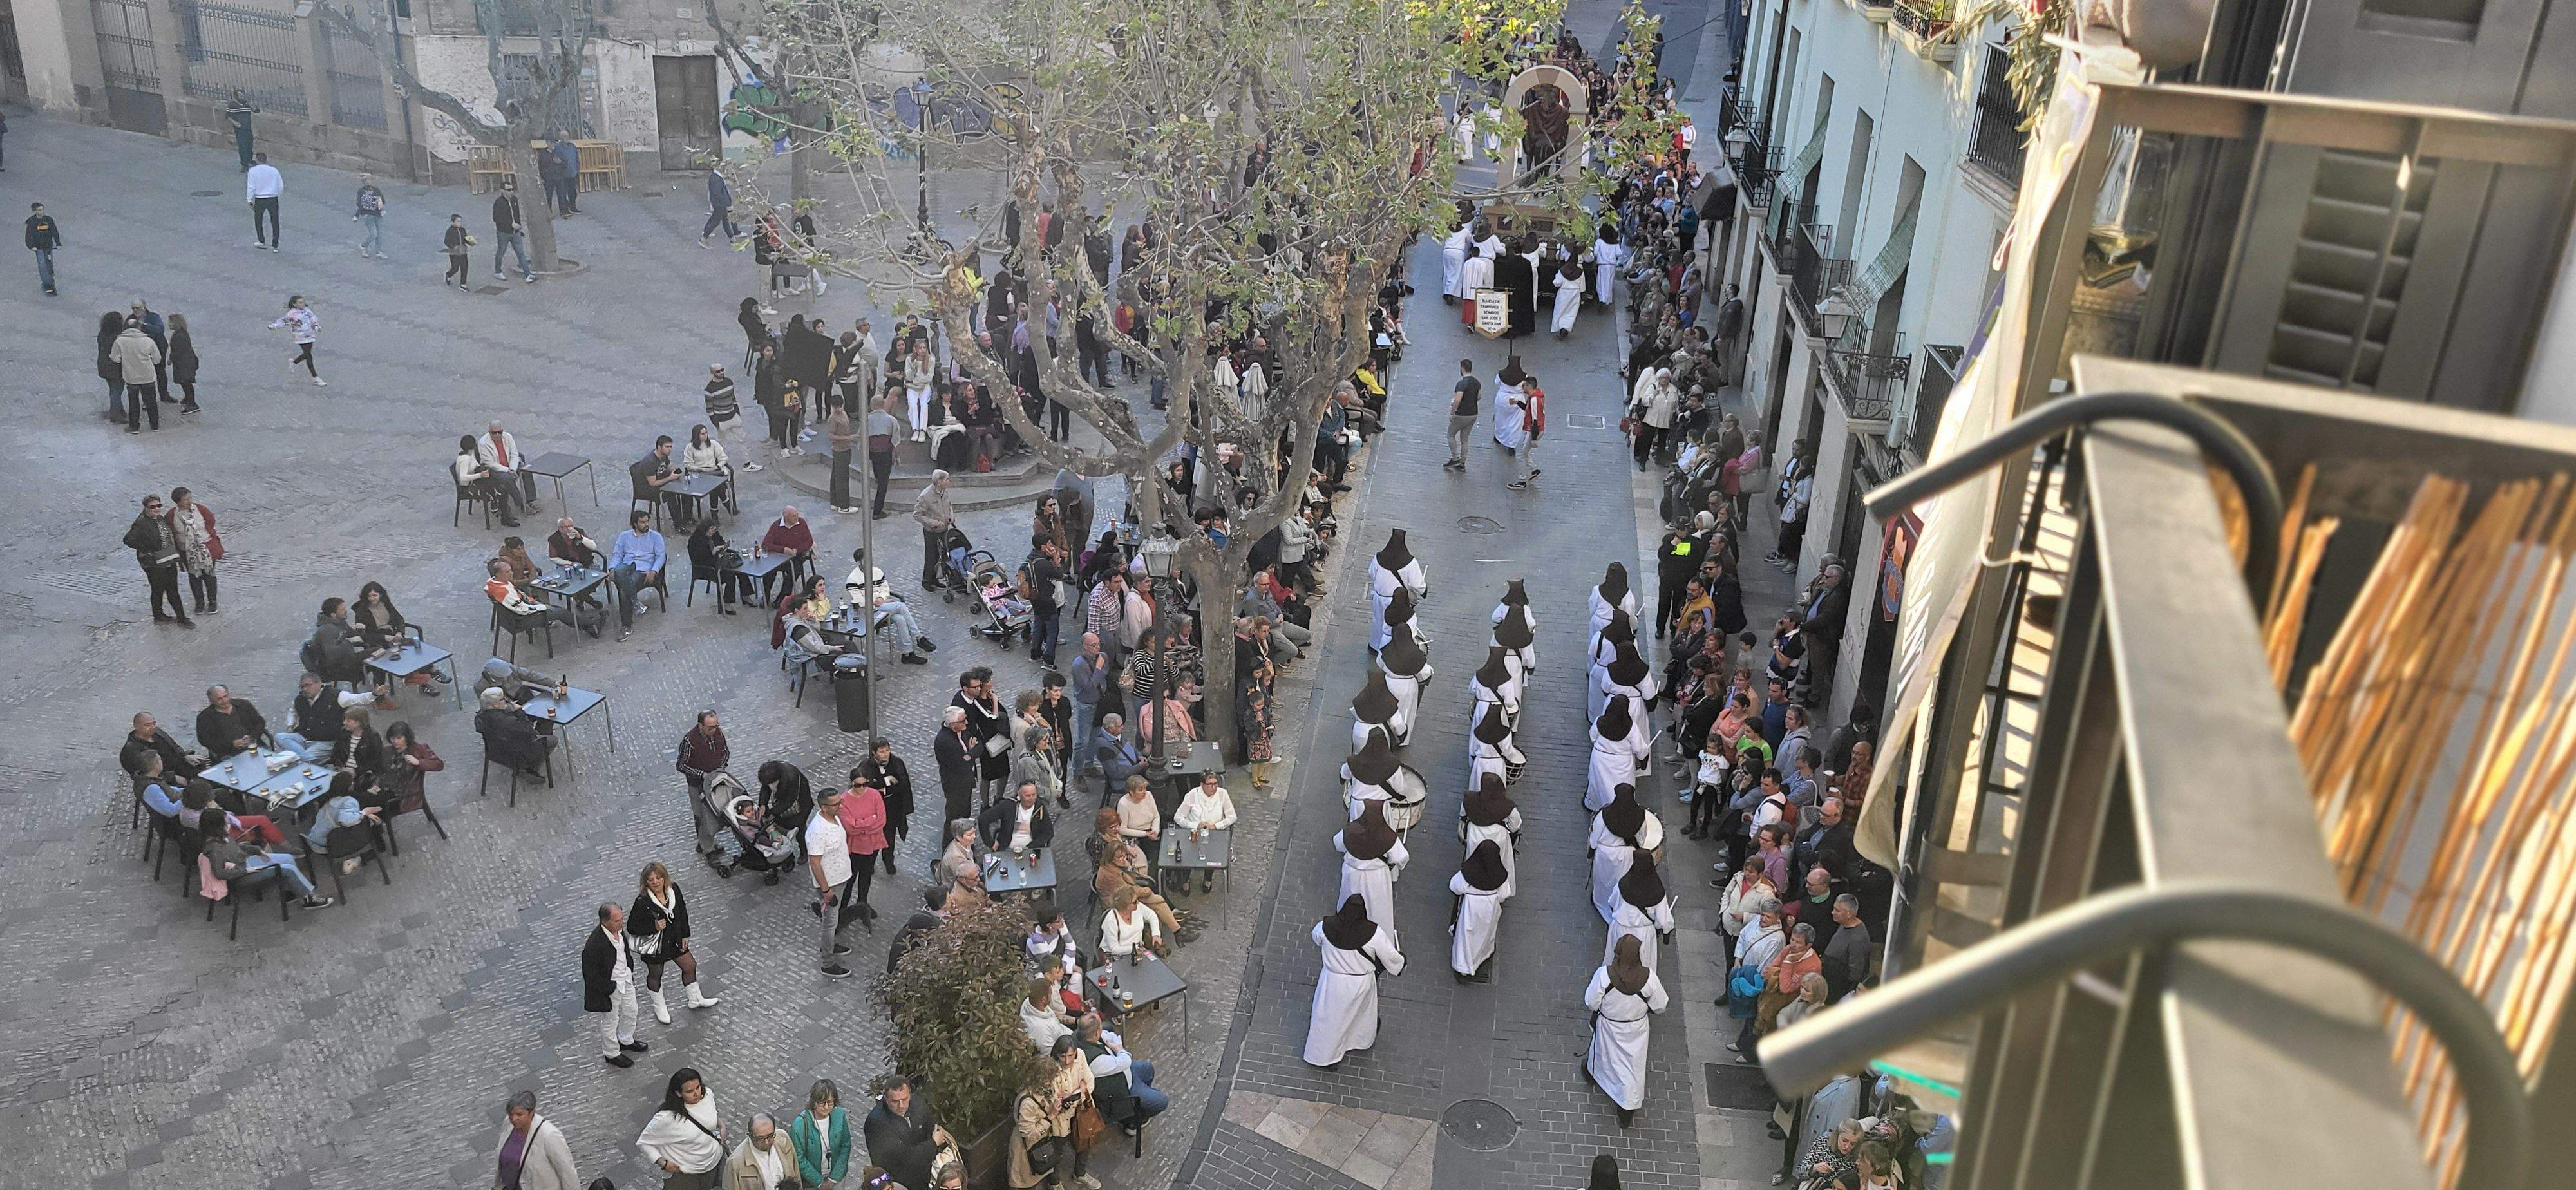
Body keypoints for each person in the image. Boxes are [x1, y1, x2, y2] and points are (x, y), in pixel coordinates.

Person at [1304, 894, 1404, 1068]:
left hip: (1332, 980)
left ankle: (1323, 1056)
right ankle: (1360, 1041)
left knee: (1330, 1019)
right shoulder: (1374, 933)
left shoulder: (1325, 927)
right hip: (1360, 983)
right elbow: (1391, 957)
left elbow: (1316, 938)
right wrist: (1400, 962)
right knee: (1362, 1013)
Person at [1583, 934, 1669, 1127]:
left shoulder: (1604, 975)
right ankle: (1626, 1108)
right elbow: (1661, 1005)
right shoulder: (1649, 978)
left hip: (1609, 1026)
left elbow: (1591, 1002)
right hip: (1637, 1029)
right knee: (1632, 1067)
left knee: (1604, 1055)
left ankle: (1594, 1074)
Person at [629, 860, 722, 1025]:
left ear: (665, 878)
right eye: (651, 880)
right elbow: (632, 927)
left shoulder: (673, 890)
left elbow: (682, 911)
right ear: (646, 883)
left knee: (690, 966)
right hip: (656, 946)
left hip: (675, 940)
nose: (656, 882)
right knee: (656, 975)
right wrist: (654, 926)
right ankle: (660, 1006)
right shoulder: (642, 902)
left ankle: (695, 999)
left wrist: (685, 934)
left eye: (658, 878)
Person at [1009, 1046, 1090, 1190]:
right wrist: (1051, 1115)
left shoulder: (1046, 1090)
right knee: (1028, 1183)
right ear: (1039, 1079)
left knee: (1039, 1175)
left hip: (1042, 1144)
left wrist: (1062, 1106)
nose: (1052, 1081)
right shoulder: (1027, 1102)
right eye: (1049, 1079)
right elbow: (1029, 1134)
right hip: (1026, 1151)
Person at [808, 782, 864, 978]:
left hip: (841, 877)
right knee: (830, 922)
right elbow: (815, 863)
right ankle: (827, 962)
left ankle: (830, 945)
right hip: (830, 884)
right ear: (824, 808)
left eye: (841, 802)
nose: (842, 806)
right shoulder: (817, 831)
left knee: (834, 918)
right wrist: (826, 891)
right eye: (837, 805)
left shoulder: (834, 818)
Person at [1075, 1012, 1167, 1131]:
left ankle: (1139, 1105)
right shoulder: (1096, 1060)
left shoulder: (1084, 1035)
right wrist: (1119, 1049)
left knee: (1147, 1067)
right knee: (1161, 1101)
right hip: (1122, 1089)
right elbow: (1126, 1060)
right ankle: (1133, 1122)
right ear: (1096, 1033)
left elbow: (1112, 1035)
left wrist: (1118, 1049)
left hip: (1123, 1073)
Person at [638, 1068, 728, 1187]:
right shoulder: (667, 1118)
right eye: (690, 1091)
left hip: (715, 1160)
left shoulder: (707, 1095)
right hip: (690, 1174)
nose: (697, 1093)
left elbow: (709, 1115)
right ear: (678, 1093)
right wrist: (663, 1163)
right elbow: (644, 1142)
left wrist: (721, 1125)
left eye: (698, 1087)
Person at [864, 1075, 955, 1190]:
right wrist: (932, 1144)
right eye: (895, 1101)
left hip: (923, 1176)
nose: (901, 1105)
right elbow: (903, 1157)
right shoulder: (877, 1124)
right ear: (886, 1100)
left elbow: (931, 1129)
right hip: (897, 1182)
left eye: (905, 1099)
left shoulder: (918, 1104)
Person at [583, 902, 646, 1067]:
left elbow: (624, 953)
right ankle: (611, 1053)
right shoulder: (594, 944)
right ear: (605, 921)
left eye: (622, 919)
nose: (622, 923)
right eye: (618, 920)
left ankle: (626, 1039)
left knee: (632, 1011)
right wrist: (609, 988)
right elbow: (591, 975)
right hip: (611, 986)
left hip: (625, 979)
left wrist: (629, 969)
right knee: (610, 1020)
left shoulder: (618, 932)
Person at [124, 493, 193, 627]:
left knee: (165, 589)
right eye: (152, 506)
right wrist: (148, 550)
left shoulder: (159, 518)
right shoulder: (141, 523)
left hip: (168, 558)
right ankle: (182, 618)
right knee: (163, 589)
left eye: (159, 506)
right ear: (146, 507)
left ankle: (159, 615)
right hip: (154, 563)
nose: (156, 508)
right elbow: (128, 540)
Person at [495, 1090, 582, 1190]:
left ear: (532, 1113)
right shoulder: (508, 1123)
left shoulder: (549, 1135)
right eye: (511, 1115)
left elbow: (568, 1173)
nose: (514, 1119)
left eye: (520, 1115)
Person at [1449, 838, 1508, 978]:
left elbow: (1454, 887)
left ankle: (1464, 966)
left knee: (1467, 936)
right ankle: (1483, 955)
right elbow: (1504, 895)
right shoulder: (1500, 874)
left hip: (1471, 908)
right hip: (1490, 907)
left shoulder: (1468, 874)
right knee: (1484, 934)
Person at [606, 510, 667, 642]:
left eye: (647, 522)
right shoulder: (624, 536)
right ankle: (636, 602)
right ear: (635, 523)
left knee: (623, 590)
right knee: (618, 571)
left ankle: (627, 626)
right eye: (642, 522)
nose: (646, 525)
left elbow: (661, 556)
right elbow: (617, 554)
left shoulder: (656, 537)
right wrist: (611, 569)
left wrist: (654, 571)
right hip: (627, 565)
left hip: (643, 569)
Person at [789, 1079, 853, 1190]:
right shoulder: (800, 1125)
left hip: (836, 1177)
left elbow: (845, 1145)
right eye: (822, 1103)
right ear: (814, 1102)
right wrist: (819, 1182)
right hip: (812, 1182)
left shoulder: (839, 1115)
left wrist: (834, 1178)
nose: (826, 1107)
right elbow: (799, 1158)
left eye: (830, 1102)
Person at [111, 314, 162, 433]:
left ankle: (134, 426)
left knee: (133, 402)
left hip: (131, 377)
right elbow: (157, 359)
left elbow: (115, 358)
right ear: (139, 327)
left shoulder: (120, 341)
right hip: (148, 376)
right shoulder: (148, 341)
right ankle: (155, 425)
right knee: (151, 402)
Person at [724, 1113, 792, 1190]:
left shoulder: (783, 1138)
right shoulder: (735, 1163)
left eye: (771, 1136)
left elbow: (795, 1171)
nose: (767, 1142)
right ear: (750, 1136)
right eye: (760, 1139)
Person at [268, 294, 323, 385]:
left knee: (307, 354)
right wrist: (274, 326)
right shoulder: (291, 313)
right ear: (294, 304)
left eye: (303, 302)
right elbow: (283, 321)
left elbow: (313, 319)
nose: (303, 304)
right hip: (300, 335)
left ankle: (294, 362)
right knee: (308, 355)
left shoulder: (307, 310)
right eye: (300, 303)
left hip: (310, 335)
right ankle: (315, 377)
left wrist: (316, 327)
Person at [913, 471, 956, 590]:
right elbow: (917, 515)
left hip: (944, 529)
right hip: (932, 532)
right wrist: (934, 523)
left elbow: (949, 505)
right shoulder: (926, 496)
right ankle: (927, 581)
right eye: (947, 480)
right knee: (931, 556)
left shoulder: (944, 492)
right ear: (939, 482)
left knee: (941, 556)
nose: (949, 482)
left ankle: (935, 579)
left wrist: (951, 515)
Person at [491, 178, 535, 282]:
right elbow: (496, 219)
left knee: (521, 253)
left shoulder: (514, 200)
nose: (511, 192)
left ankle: (528, 274)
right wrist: (511, 225)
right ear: (502, 191)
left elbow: (517, 214)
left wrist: (519, 226)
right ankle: (498, 271)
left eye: (512, 189)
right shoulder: (498, 203)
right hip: (504, 233)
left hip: (516, 233)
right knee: (501, 252)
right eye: (508, 190)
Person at [1444, 357, 1481, 471]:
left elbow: (1458, 399)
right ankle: (1462, 462)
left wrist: (1452, 412)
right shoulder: (1477, 382)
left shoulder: (1462, 383)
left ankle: (1455, 458)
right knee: (1465, 438)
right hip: (1473, 414)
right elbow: (1479, 397)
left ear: (1462, 368)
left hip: (1462, 415)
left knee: (1451, 434)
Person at [246, 151, 283, 249]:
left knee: (258, 220)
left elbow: (251, 187)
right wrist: (277, 194)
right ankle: (275, 244)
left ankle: (261, 241)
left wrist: (249, 199)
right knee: (275, 221)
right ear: (267, 160)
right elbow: (280, 186)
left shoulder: (253, 171)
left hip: (260, 198)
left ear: (257, 160)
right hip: (272, 198)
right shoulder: (274, 171)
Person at [26, 202, 61, 296]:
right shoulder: (32, 222)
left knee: (49, 264)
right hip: (39, 247)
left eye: (42, 210)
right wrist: (31, 246)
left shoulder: (49, 220)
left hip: (48, 246)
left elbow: (54, 231)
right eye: (39, 210)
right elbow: (29, 236)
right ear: (35, 211)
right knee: (42, 265)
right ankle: (47, 285)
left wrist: (58, 243)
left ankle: (52, 283)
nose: (42, 212)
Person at [354, 173, 388, 258]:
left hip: (377, 215)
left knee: (379, 234)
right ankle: (363, 246)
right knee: (374, 234)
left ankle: (379, 252)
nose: (367, 182)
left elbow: (382, 201)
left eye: (369, 180)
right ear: (363, 182)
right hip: (367, 216)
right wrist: (357, 215)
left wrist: (380, 206)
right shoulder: (361, 192)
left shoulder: (376, 190)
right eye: (365, 180)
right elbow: (360, 204)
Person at [223, 90, 258, 168]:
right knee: (243, 146)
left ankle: (250, 159)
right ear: (236, 96)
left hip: (248, 128)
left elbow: (256, 111)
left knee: (250, 144)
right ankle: (244, 163)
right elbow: (228, 116)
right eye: (240, 96)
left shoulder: (246, 104)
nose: (242, 97)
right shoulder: (232, 105)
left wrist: (251, 105)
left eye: (243, 95)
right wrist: (235, 123)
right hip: (240, 129)